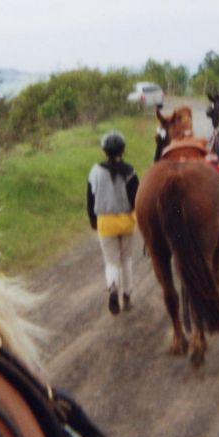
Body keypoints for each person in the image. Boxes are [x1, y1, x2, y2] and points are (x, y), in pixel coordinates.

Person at [86, 130, 139, 315]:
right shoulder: (130, 171)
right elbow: (136, 198)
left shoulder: (95, 171)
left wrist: (93, 220)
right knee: (126, 259)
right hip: (126, 221)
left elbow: (90, 199)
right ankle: (127, 296)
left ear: (104, 150)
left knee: (111, 261)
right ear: (123, 150)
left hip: (105, 223)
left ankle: (113, 288)